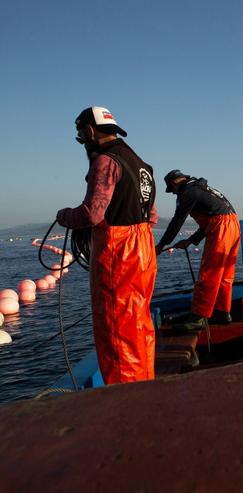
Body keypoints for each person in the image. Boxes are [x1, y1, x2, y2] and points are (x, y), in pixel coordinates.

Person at [57, 106, 157, 384]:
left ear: (89, 131)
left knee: (116, 328)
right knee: (139, 321)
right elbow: (153, 214)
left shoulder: (105, 161)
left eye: (81, 137)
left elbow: (93, 214)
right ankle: (146, 384)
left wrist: (64, 216)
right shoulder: (142, 165)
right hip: (144, 249)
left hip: (119, 252)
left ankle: (125, 401)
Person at [156, 170, 240, 331]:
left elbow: (177, 221)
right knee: (224, 274)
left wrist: (161, 245)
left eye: (172, 190)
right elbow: (215, 217)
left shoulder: (187, 192)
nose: (173, 194)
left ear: (173, 183)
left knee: (208, 273)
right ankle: (223, 312)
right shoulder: (200, 189)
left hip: (222, 227)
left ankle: (198, 317)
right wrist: (190, 240)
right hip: (232, 225)